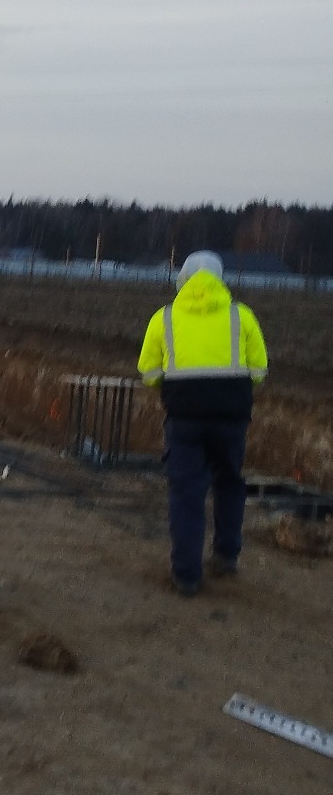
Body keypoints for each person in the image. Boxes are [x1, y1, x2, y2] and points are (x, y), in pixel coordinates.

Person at [138, 251, 268, 596]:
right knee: (229, 483)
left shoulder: (163, 318)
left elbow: (149, 373)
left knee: (186, 495)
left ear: (183, 278)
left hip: (184, 421)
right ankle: (226, 556)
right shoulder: (242, 316)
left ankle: (186, 577)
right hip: (231, 420)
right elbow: (259, 370)